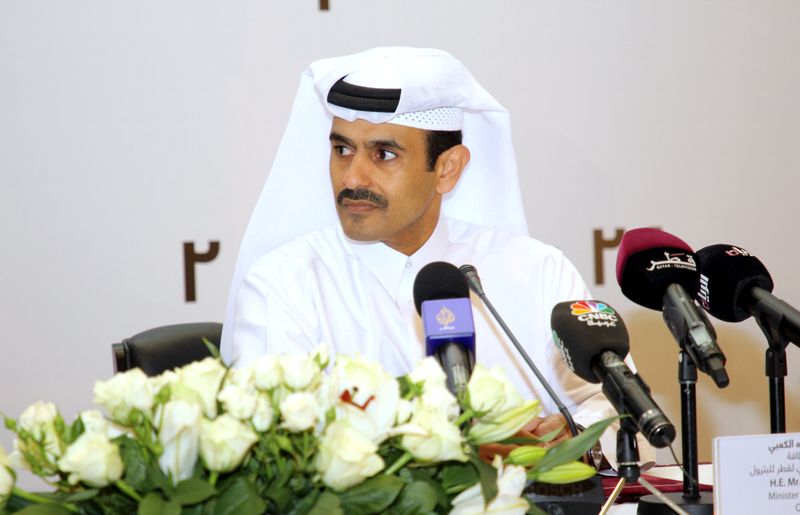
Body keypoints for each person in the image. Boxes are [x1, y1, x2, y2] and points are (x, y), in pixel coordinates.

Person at [221, 47, 654, 463]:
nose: (352, 176)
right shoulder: (283, 285)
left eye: (384, 154)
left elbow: (631, 419)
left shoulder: (537, 272)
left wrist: (577, 439)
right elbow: (273, 448)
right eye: (342, 150)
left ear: (447, 168)